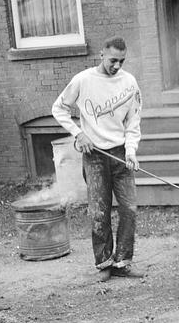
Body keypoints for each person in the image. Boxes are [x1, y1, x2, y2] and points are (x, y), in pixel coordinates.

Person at [52, 36, 145, 282]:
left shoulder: (129, 82)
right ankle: (104, 262)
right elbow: (58, 109)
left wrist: (131, 151)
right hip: (94, 156)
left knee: (130, 210)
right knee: (98, 212)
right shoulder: (83, 80)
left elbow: (133, 121)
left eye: (122, 61)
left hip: (120, 154)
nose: (117, 66)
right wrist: (78, 133)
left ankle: (122, 262)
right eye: (113, 60)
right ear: (102, 54)